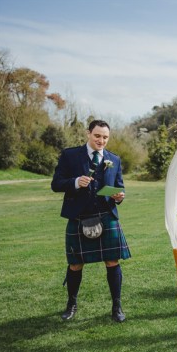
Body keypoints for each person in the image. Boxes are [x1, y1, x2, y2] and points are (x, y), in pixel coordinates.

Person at [51, 119, 131, 323]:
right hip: (79, 217)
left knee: (112, 261)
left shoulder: (114, 159)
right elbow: (56, 183)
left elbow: (119, 186)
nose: (101, 140)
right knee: (75, 264)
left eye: (105, 137)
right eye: (97, 136)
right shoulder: (70, 155)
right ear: (88, 133)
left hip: (107, 216)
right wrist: (76, 182)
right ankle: (71, 304)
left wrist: (120, 197)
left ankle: (116, 306)